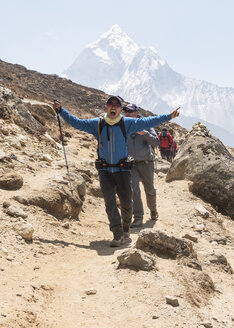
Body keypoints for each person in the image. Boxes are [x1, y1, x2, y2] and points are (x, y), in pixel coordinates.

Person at [53, 97, 179, 247]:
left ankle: (126, 228)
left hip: (123, 170)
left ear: (120, 109)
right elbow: (77, 123)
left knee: (126, 203)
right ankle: (117, 234)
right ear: (106, 108)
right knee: (110, 203)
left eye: (116, 105)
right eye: (110, 105)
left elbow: (148, 122)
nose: (113, 107)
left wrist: (169, 117)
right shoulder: (98, 124)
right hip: (105, 170)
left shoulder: (127, 123)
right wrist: (61, 111)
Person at [123, 104, 159, 228]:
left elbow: (156, 142)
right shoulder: (123, 125)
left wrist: (144, 133)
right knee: (133, 190)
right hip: (131, 164)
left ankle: (153, 209)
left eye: (129, 111)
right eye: (125, 111)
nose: (126, 113)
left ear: (137, 113)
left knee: (149, 189)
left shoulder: (146, 124)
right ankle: (138, 217)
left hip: (146, 163)